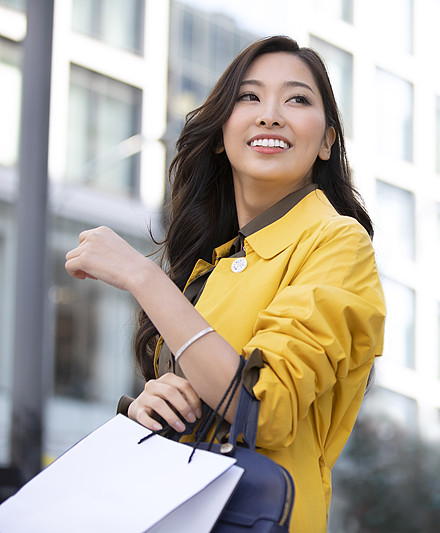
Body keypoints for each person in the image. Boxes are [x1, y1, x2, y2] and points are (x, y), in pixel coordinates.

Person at [65, 35, 385, 532]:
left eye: (297, 99)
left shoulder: (338, 243)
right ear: (220, 133)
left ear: (327, 141)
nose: (270, 115)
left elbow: (262, 407)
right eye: (248, 96)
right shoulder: (210, 266)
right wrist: (150, 409)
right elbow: (206, 400)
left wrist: (142, 277)